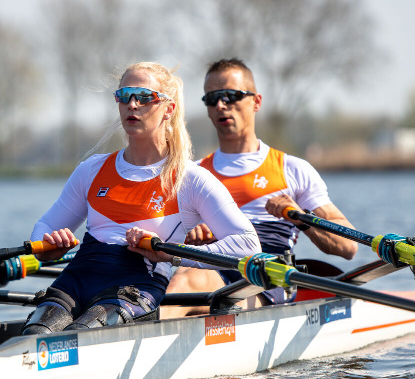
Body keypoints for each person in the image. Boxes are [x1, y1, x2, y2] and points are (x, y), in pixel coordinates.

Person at [21, 61, 261, 335]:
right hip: (76, 279)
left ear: (169, 109)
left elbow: (247, 246)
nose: (132, 104)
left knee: (78, 336)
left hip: (135, 287)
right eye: (124, 96)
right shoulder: (91, 170)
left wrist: (172, 255)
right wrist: (48, 247)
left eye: (144, 97)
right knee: (33, 337)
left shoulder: (190, 179)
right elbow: (44, 227)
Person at [163, 58, 357, 316]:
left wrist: (301, 217)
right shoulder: (191, 175)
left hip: (263, 282)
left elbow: (349, 246)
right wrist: (188, 233)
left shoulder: (292, 170)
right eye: (212, 99)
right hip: (207, 274)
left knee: (186, 280)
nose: (221, 105)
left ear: (256, 102)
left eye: (231, 95)